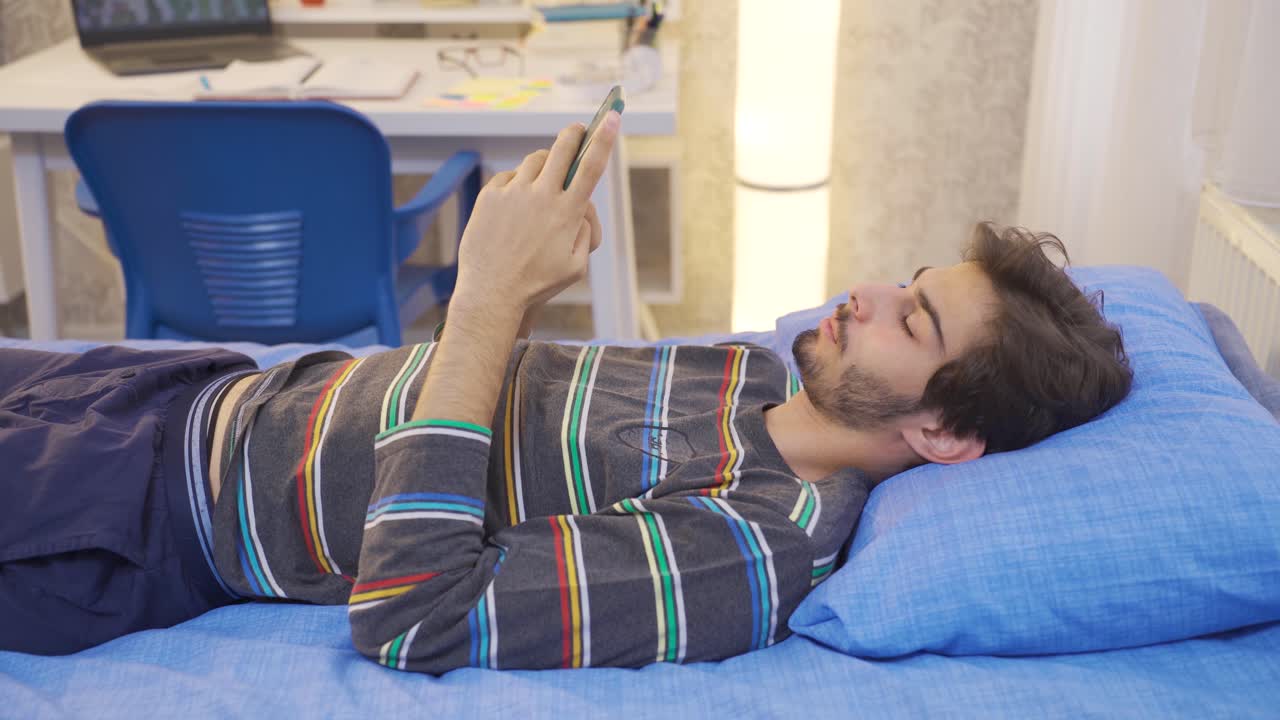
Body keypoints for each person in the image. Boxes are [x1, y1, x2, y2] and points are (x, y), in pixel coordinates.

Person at [0, 114, 1132, 671]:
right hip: (179, 390)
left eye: (913, 319)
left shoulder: (750, 548)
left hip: (139, 516)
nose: (866, 294)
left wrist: (489, 295)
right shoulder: (751, 368)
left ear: (940, 433)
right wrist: (522, 282)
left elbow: (414, 614)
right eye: (905, 280)